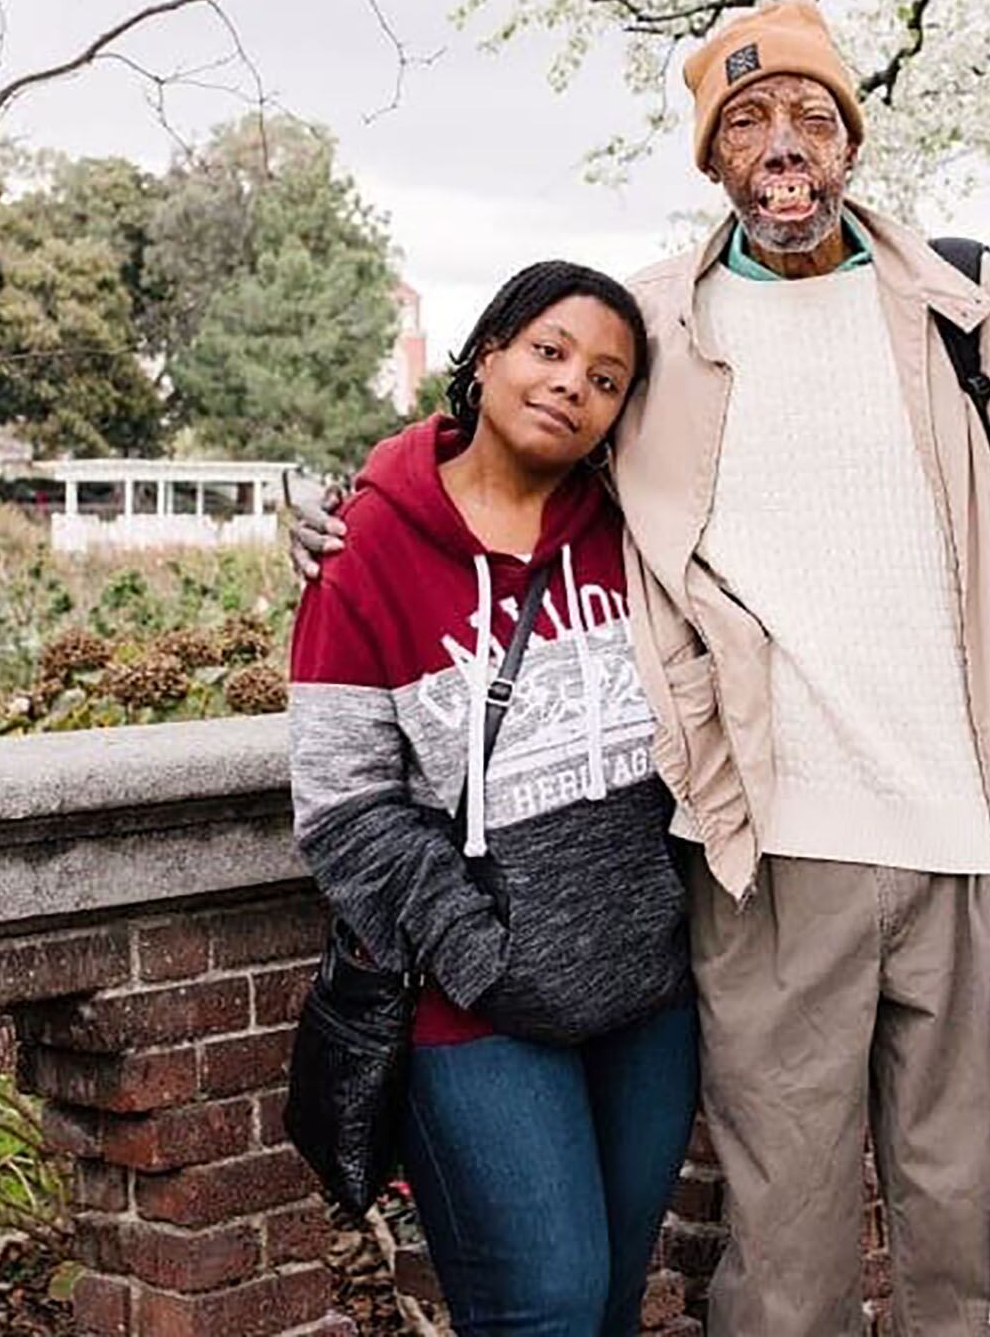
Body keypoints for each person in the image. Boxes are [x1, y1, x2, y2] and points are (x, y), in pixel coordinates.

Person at [295, 0, 990, 1337]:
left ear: (850, 138)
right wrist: (348, 508)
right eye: (746, 122)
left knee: (977, 1249)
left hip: (980, 846)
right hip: (768, 864)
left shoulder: (970, 311)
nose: (782, 143)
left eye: (810, 114)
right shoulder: (652, 334)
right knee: (784, 1270)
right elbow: (509, 441)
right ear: (713, 161)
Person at [288, 260, 698, 1337]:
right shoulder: (367, 549)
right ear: (484, 357)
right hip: (474, 1009)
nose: (572, 386)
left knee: (611, 1301)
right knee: (544, 1307)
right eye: (550, 352)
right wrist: (485, 957)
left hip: (646, 999)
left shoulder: (633, 532)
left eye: (606, 379)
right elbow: (341, 805)